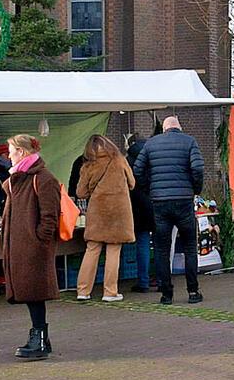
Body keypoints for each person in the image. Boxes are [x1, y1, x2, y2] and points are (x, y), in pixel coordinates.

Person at [1, 133, 61, 360]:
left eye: (11, 151)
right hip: (21, 245)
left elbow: (50, 216)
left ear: (23, 153)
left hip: (33, 247)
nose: (9, 156)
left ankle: (40, 338)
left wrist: (39, 239)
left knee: (35, 292)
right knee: (30, 292)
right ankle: (40, 337)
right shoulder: (19, 178)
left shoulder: (43, 178)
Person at [133, 115, 204, 305]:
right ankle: (193, 292)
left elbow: (137, 170)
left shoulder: (150, 144)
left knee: (162, 249)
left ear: (164, 128)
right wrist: (195, 189)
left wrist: (150, 189)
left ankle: (166, 295)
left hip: (160, 202)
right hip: (183, 201)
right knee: (190, 247)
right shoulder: (190, 142)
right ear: (178, 127)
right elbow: (197, 168)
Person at [74, 135, 136, 302]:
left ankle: (83, 291)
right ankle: (110, 292)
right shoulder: (120, 160)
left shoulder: (88, 165)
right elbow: (132, 183)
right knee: (114, 251)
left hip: (97, 212)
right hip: (119, 213)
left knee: (92, 249)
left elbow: (80, 192)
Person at [126, 137, 156, 292]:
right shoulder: (155, 156)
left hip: (137, 207)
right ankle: (162, 280)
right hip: (157, 203)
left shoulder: (128, 161)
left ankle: (143, 282)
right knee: (160, 245)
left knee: (142, 243)